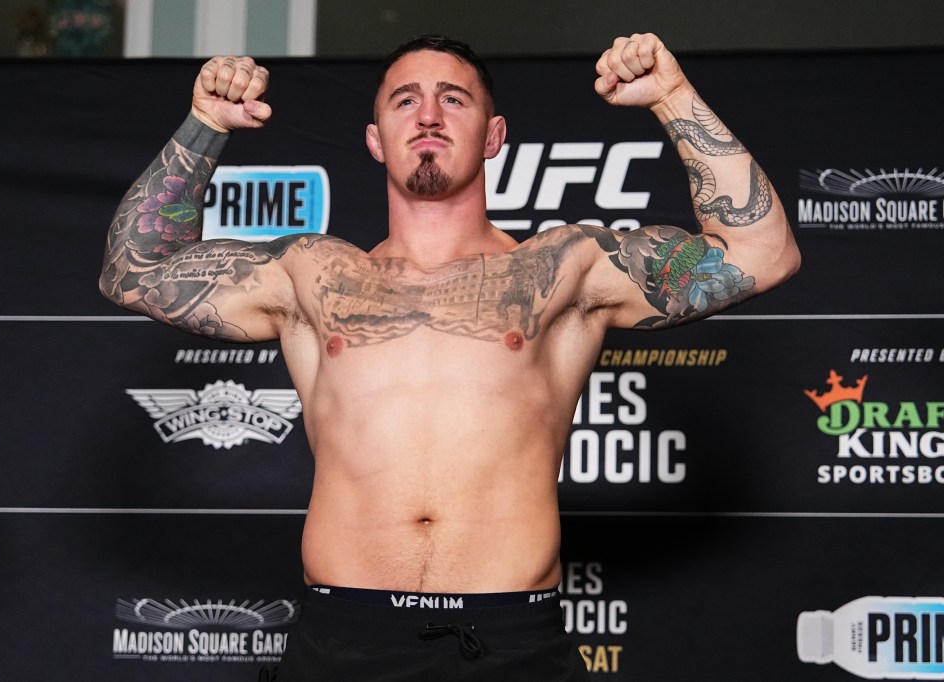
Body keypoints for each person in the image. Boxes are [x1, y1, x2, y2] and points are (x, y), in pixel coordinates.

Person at [100, 32, 800, 681]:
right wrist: (207, 124)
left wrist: (672, 95)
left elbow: (762, 255)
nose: (428, 114)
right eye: (406, 100)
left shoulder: (565, 268)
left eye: (453, 99)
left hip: (510, 641)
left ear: (493, 136)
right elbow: (133, 272)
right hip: (344, 640)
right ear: (376, 140)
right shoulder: (309, 275)